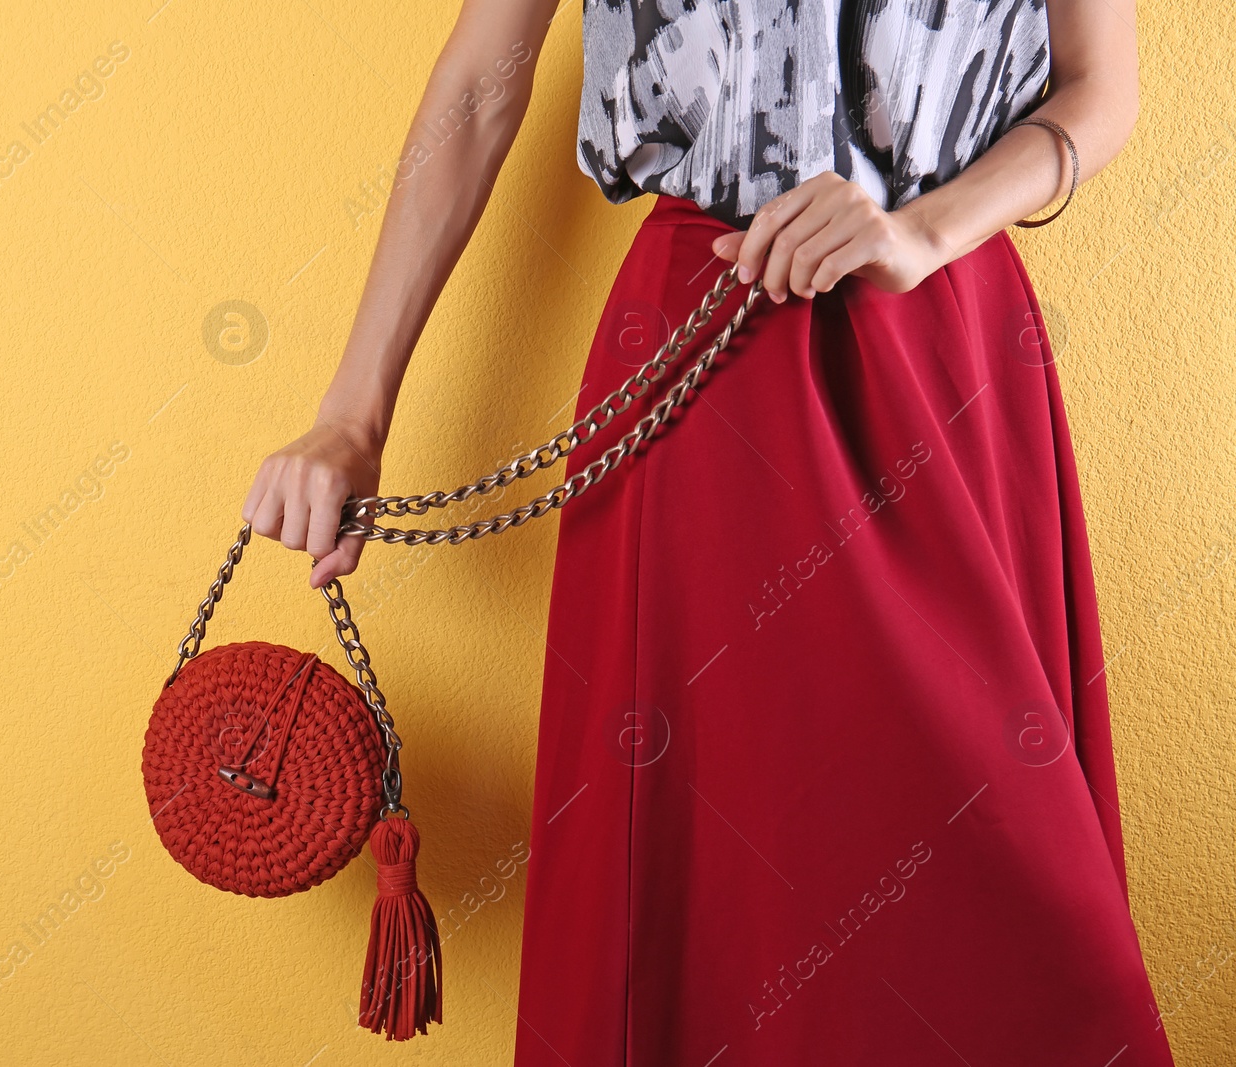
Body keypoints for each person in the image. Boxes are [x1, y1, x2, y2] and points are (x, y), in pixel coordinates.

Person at [243, 0, 1175, 1062]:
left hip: (939, 346)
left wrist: (922, 229)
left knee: (1011, 905)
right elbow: (479, 82)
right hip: (703, 363)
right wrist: (353, 417)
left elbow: (1100, 89)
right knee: (716, 893)